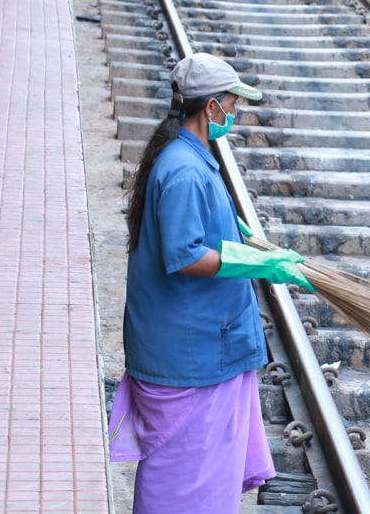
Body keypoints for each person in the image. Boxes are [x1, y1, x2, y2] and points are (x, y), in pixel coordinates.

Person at [108, 53, 314, 513]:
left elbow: (211, 229)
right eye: (233, 103)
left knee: (197, 474)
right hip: (189, 354)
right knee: (183, 478)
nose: (236, 113)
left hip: (195, 349)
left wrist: (256, 246)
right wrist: (258, 265)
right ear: (212, 107)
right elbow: (184, 255)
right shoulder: (183, 170)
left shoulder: (189, 158)